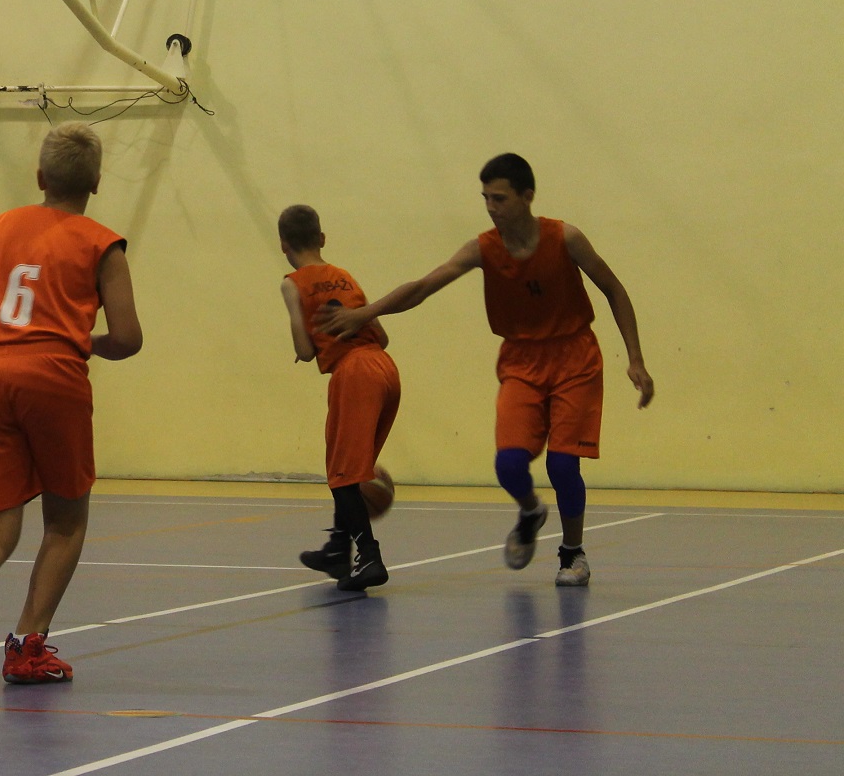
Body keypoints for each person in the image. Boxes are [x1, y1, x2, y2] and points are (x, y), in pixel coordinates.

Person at [322, 153, 655, 587]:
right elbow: (422, 287)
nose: (491, 207)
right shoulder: (483, 248)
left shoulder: (566, 238)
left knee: (563, 466)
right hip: (521, 361)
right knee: (509, 464)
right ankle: (531, 511)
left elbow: (614, 289)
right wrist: (366, 313)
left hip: (575, 357)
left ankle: (572, 554)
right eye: (485, 198)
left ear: (527, 196)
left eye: (499, 198)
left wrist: (635, 359)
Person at [0, 123, 142, 684]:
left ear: (40, 176)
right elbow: (128, 337)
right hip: (53, 375)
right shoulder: (102, 243)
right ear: (96, 182)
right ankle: (27, 647)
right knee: (65, 522)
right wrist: (82, 342)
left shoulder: (0, 225)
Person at [278, 205, 398, 592]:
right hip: (384, 369)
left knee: (344, 475)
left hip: (354, 374)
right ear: (322, 238)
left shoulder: (292, 283)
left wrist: (306, 344)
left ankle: (369, 556)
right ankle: (337, 549)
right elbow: (382, 335)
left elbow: (305, 349)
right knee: (348, 467)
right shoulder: (345, 277)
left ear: (283, 245)